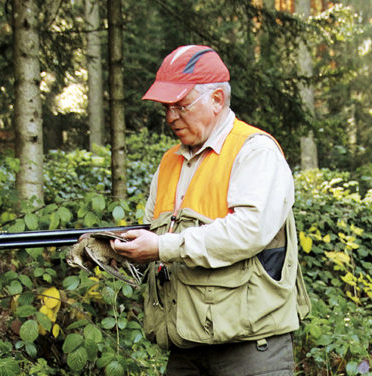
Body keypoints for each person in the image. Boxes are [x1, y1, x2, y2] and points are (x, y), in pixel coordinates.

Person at [111, 45, 311, 376]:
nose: (171, 117)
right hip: (187, 346)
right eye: (167, 108)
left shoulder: (254, 152)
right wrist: (118, 252)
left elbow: (248, 231)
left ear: (217, 99)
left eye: (180, 106)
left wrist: (161, 247)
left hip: (250, 348)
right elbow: (154, 235)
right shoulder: (169, 162)